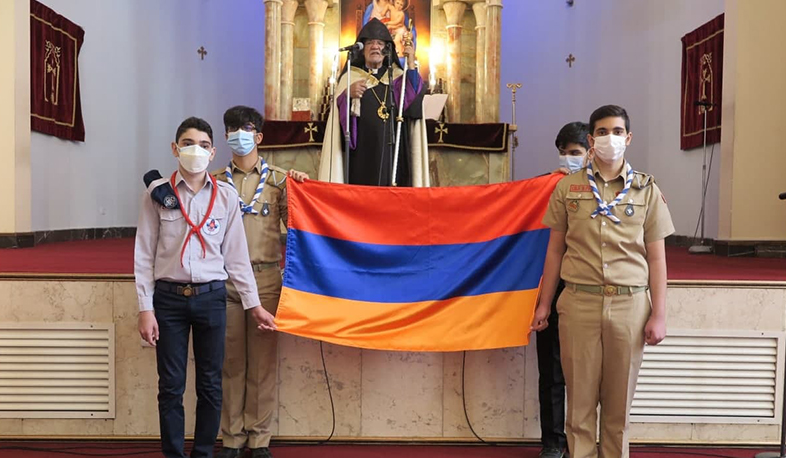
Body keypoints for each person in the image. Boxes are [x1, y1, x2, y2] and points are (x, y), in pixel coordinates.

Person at [531, 105, 674, 458]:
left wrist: (660, 314)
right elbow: (554, 251)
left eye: (617, 131)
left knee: (616, 409)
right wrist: (545, 303)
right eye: (602, 132)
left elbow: (657, 258)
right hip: (580, 303)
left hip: (629, 305)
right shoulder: (568, 188)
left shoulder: (646, 190)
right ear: (591, 139)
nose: (610, 138)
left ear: (628, 138)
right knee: (578, 407)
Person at [135, 116, 277, 458]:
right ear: (174, 149)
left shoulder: (226, 197)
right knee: (170, 387)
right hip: (169, 301)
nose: (193, 151)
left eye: (201, 145)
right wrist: (145, 308)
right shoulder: (157, 195)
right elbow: (143, 254)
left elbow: (238, 260)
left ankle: (202, 453)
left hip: (212, 298)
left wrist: (253, 305)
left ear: (212, 153)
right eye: (186, 144)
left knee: (211, 386)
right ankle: (173, 453)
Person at [212, 106, 307, 458]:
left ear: (259, 136)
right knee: (230, 363)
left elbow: (298, 224)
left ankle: (259, 438)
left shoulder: (280, 180)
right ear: (225, 136)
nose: (240, 133)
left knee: (263, 365)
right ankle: (232, 439)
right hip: (226, 283)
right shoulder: (214, 180)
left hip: (266, 278)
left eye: (246, 128)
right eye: (233, 128)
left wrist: (301, 190)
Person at [319, 17, 428, 186]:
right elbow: (339, 125)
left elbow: (412, 100)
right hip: (362, 154)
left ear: (387, 50)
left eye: (380, 43)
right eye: (370, 43)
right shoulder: (349, 78)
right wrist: (347, 95)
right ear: (362, 50)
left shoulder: (397, 78)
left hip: (393, 153)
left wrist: (412, 61)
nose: (375, 46)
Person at [536, 121, 590, 458]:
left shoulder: (613, 187)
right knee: (552, 372)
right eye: (564, 153)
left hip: (589, 288)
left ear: (590, 153)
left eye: (575, 153)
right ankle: (553, 443)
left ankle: (581, 442)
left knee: (587, 374)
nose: (568, 158)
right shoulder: (547, 187)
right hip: (553, 288)